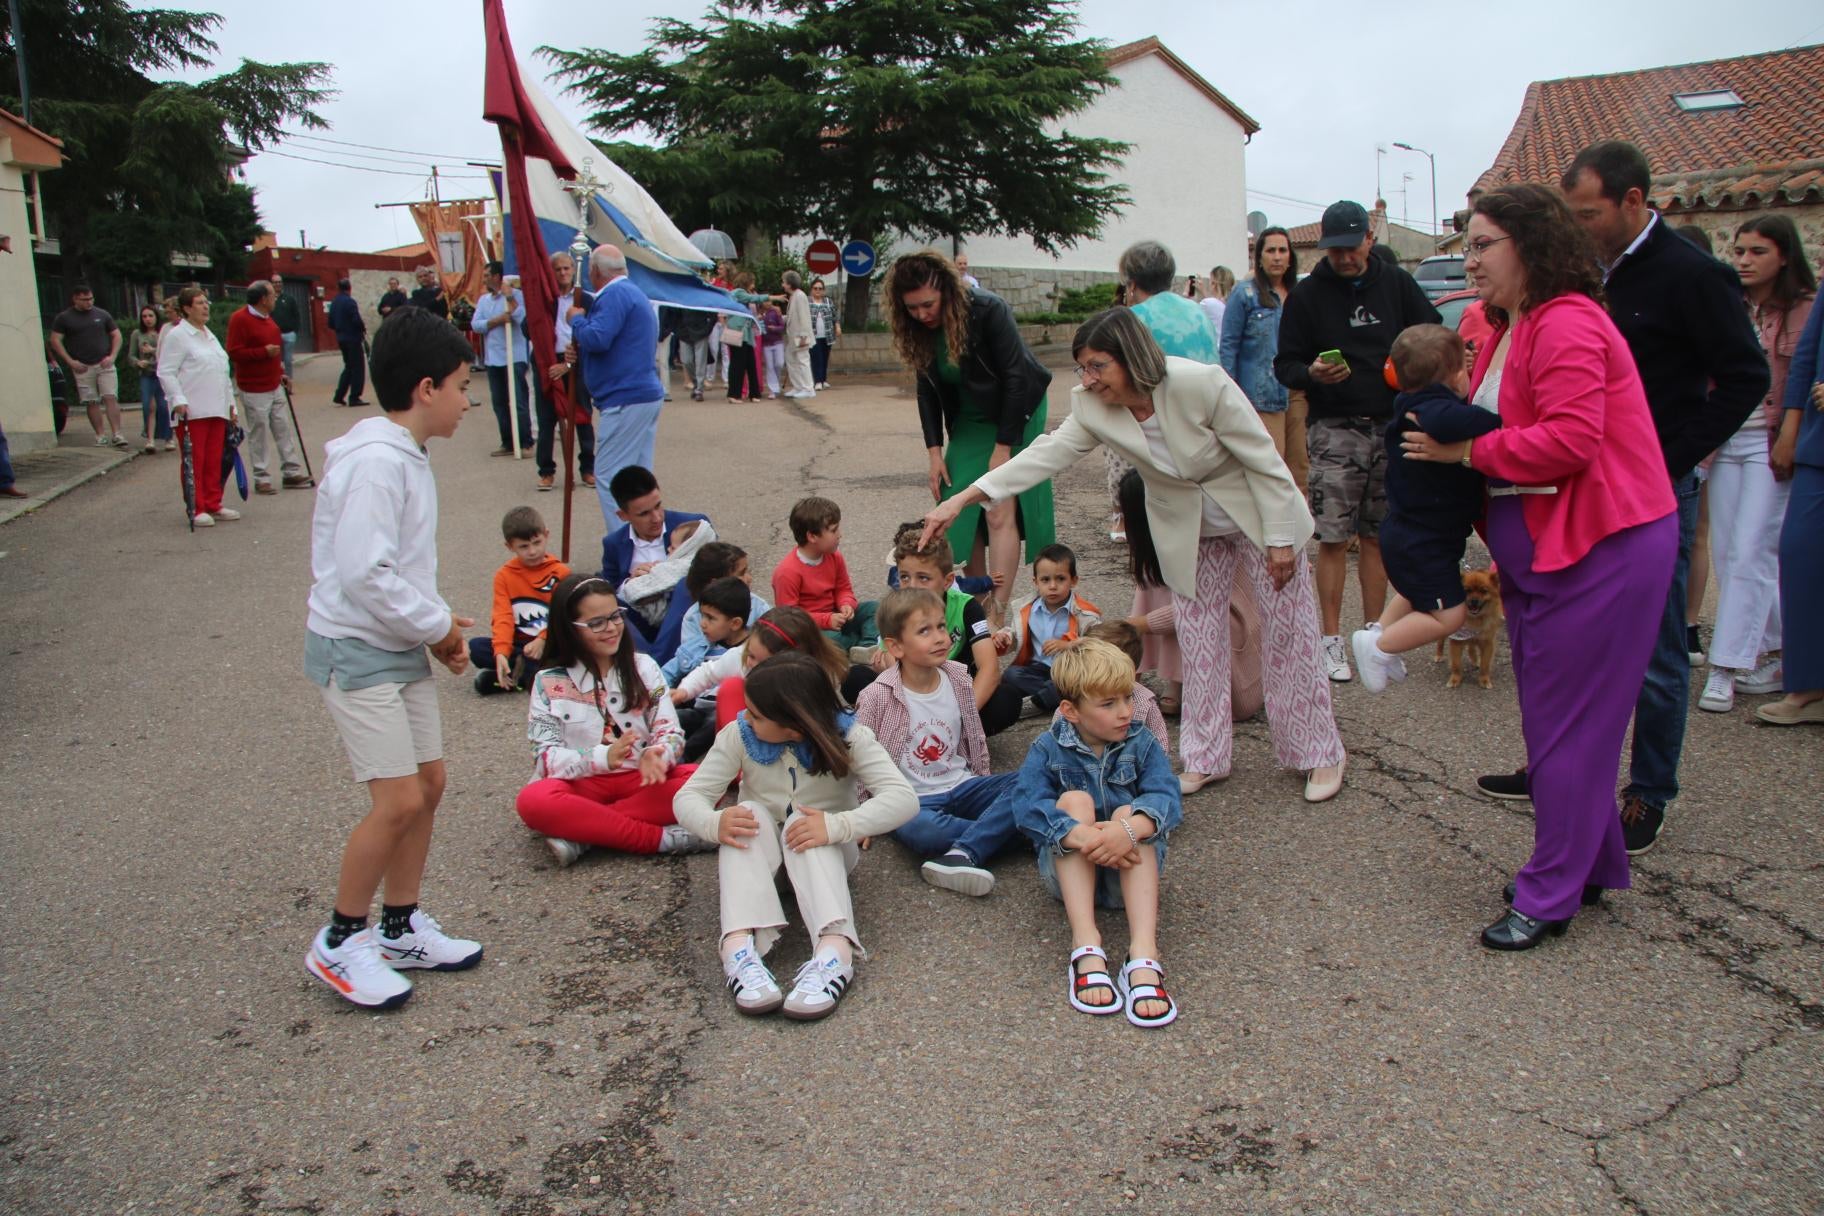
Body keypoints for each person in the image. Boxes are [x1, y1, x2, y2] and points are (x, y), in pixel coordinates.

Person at [1403, 183, 1678, 950]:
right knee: (1561, 724)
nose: (1471, 259)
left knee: (1568, 733)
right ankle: (1589, 864)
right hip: (1556, 549)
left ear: (1532, 246)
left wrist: (1465, 450)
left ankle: (1551, 889)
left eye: (1484, 244)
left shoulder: (1566, 324)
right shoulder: (1511, 324)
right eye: (1468, 245)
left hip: (1603, 548)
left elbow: (1569, 440)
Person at [922, 308, 1347, 803]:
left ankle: (1320, 752)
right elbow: (1045, 455)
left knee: (1288, 636)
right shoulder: (1092, 405)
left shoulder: (1200, 383)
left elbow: (1265, 460)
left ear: (1131, 357)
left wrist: (1278, 541)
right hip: (1189, 531)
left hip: (1259, 516)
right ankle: (1206, 757)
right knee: (1200, 642)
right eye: (1082, 367)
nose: (1088, 378)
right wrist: (964, 497)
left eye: (1097, 365)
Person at [1540, 141, 1769, 852]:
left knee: (1657, 648)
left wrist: (1669, 457)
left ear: (1634, 201)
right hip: (1581, 484)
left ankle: (1647, 791)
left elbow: (1745, 377)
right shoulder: (1583, 276)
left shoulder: (1692, 276)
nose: (1578, 229)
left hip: (1653, 490)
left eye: (1589, 214)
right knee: (1577, 636)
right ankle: (1562, 769)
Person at [301, 305, 482, 1009]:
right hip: (357, 648)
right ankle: (342, 940)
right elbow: (364, 574)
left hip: (392, 641)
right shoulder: (377, 463)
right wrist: (438, 626)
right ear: (427, 387)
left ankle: (401, 925)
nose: (470, 401)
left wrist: (432, 624)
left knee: (428, 784)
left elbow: (393, 570)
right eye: (464, 386)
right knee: (398, 797)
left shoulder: (402, 454)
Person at [672, 652, 917, 1021]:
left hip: (825, 857)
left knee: (804, 822)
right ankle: (738, 946)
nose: (746, 719)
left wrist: (837, 826)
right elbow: (688, 797)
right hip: (762, 863)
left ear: (794, 724)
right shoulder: (739, 735)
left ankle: (835, 950)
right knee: (747, 813)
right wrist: (713, 823)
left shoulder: (851, 735)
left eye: (756, 714)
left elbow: (903, 799)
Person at [1275, 200, 1441, 681]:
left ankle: (1374, 637)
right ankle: (1329, 640)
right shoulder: (1307, 296)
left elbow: (1429, 334)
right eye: (1335, 250)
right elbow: (1284, 363)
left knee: (1378, 535)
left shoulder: (1397, 283)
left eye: (1351, 247)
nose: (1344, 258)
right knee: (1332, 537)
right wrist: (1311, 372)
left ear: (1369, 238)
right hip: (1334, 428)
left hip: (1392, 425)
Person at [1009, 639, 1182, 1028]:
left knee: (1131, 811)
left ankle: (1143, 953)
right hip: (1070, 878)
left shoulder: (1142, 742)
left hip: (1131, 876)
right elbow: (1026, 807)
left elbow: (1167, 796)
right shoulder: (1047, 748)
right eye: (1108, 704)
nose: (1125, 712)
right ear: (1070, 710)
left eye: (1127, 698)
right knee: (1072, 802)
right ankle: (1086, 945)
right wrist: (1083, 837)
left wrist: (1130, 828)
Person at [887, 250, 1056, 623]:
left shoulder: (987, 309)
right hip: (970, 415)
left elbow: (1014, 376)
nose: (921, 314)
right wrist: (934, 453)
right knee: (959, 506)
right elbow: (926, 390)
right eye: (911, 308)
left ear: (947, 290)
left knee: (997, 506)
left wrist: (1003, 448)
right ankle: (975, 600)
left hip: (1016, 408)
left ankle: (997, 608)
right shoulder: (916, 326)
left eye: (928, 304)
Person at [1697, 216, 1815, 713]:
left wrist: (1790, 436)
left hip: (1770, 442)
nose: (1743, 259)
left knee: (1751, 552)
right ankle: (1773, 653)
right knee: (1729, 553)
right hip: (1726, 443)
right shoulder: (1731, 307)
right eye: (1739, 250)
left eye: (1756, 252)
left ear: (1784, 256)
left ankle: (1726, 667)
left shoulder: (1806, 310)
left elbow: (1803, 376)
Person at [513, 573, 707, 867]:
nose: (612, 628)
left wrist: (659, 754)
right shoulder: (548, 681)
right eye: (596, 623)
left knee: (704, 782)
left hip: (640, 780)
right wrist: (603, 757)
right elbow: (545, 758)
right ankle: (662, 839)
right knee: (533, 800)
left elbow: (669, 729)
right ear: (569, 629)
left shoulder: (643, 667)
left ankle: (583, 834)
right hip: (578, 785)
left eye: (615, 616)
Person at [1350, 324, 1501, 691]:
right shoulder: (1432, 410)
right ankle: (1380, 646)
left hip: (1409, 534)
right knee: (1450, 615)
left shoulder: (1409, 403)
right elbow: (1455, 420)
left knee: (1416, 592)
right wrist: (1498, 420)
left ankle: (1379, 634)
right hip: (1423, 538)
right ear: (1452, 377)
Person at [854, 587, 1020, 898]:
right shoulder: (876, 696)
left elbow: (974, 738)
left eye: (942, 626)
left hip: (962, 785)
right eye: (925, 631)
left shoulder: (958, 679)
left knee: (1031, 781)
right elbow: (859, 758)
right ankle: (1014, 830)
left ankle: (965, 852)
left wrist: (982, 781)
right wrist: (864, 815)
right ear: (896, 647)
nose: (940, 637)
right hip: (912, 801)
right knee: (924, 832)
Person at [1760, 287, 1824, 725]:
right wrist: (1790, 429)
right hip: (1819, 446)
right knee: (1800, 554)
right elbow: (1805, 360)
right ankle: (1809, 686)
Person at [889, 521, 1021, 735]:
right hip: (915, 696)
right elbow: (890, 668)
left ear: (948, 581)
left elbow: (990, 669)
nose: (912, 586)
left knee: (1007, 700)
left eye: (923, 578)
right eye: (904, 577)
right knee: (858, 679)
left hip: (957, 695)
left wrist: (956, 719)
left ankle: (954, 736)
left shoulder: (967, 607)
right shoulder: (895, 608)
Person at [573, 245, 665, 528]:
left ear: (595, 272)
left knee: (612, 477)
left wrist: (575, 320)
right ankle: (646, 540)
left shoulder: (614, 294)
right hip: (638, 393)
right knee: (636, 476)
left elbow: (598, 337)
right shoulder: (632, 293)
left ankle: (627, 545)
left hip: (625, 396)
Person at [599, 465, 708, 666]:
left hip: (689, 617)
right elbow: (610, 592)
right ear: (623, 515)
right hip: (644, 621)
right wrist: (631, 583)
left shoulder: (693, 526)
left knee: (686, 584)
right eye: (644, 513)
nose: (657, 518)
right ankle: (652, 664)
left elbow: (720, 566)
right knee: (606, 601)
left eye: (658, 506)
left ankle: (656, 666)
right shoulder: (614, 544)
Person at [1221, 228, 1304, 490]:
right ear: (1259, 257)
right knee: (1271, 469)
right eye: (1271, 250)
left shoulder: (1301, 293)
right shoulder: (1245, 294)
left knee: (1300, 467)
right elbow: (1228, 345)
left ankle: (1299, 530)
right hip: (1260, 395)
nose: (1277, 257)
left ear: (1290, 257)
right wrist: (1231, 395)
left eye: (1282, 250)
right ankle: (1270, 529)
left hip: (1297, 390)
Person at [157, 286, 240, 527]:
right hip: (192, 410)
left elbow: (222, 372)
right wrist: (178, 399)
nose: (205, 307)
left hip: (216, 407)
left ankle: (214, 502)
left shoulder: (208, 334)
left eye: (206, 302)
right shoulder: (178, 336)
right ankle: (197, 506)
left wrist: (230, 405)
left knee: (214, 459)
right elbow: (166, 371)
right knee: (196, 460)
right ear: (186, 308)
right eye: (199, 303)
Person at [472, 505, 571, 695]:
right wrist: (501, 652)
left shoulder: (561, 573)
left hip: (553, 642)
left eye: (537, 542)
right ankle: (524, 675)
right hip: (522, 648)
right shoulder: (504, 576)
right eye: (524, 546)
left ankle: (509, 680)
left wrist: (543, 639)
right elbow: (503, 616)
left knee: (566, 654)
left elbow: (565, 616)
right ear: (509, 546)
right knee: (476, 648)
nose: (532, 551)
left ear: (546, 535)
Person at [226, 281, 312, 495]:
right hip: (254, 388)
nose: (276, 298)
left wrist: (280, 371)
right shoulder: (240, 319)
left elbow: (275, 353)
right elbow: (234, 352)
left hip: (274, 384)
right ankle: (261, 476)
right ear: (263, 299)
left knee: (283, 428)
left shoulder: (269, 321)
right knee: (260, 433)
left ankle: (291, 472)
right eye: (272, 295)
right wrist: (263, 352)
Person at [997, 543, 1103, 713]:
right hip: (1037, 669)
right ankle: (1053, 698)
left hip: (1069, 671)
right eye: (1045, 580)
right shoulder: (1028, 608)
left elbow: (1099, 644)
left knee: (1068, 684)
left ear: (1073, 580)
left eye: (1060, 579)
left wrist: (1068, 645)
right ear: (1036, 582)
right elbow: (1016, 635)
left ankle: (1036, 703)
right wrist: (1005, 637)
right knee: (1011, 675)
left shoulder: (1084, 614)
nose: (1053, 586)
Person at [771, 495, 877, 656]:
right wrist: (826, 620)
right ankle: (856, 641)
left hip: (837, 618)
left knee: (875, 609)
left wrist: (846, 604)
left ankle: (866, 646)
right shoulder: (787, 572)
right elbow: (790, 619)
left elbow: (843, 589)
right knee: (831, 640)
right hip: (812, 628)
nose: (839, 534)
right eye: (834, 530)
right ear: (812, 536)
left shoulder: (834, 557)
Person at [669, 576, 756, 761]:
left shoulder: (750, 652)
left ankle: (682, 758)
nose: (702, 623)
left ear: (735, 623)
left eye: (711, 618)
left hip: (729, 713)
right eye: (702, 615)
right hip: (699, 706)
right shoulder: (698, 645)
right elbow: (697, 672)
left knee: (712, 725)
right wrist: (680, 692)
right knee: (678, 717)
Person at [662, 541, 769, 685]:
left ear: (736, 623)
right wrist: (658, 698)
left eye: (710, 618)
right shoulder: (693, 620)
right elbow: (675, 671)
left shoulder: (759, 608)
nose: (749, 578)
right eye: (741, 574)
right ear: (718, 582)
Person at [542, 250, 597, 491]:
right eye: (558, 269)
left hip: (576, 361)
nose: (563, 273)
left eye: (567, 268)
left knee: (582, 417)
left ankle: (587, 469)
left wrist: (568, 364)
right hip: (548, 362)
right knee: (547, 420)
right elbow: (528, 329)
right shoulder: (546, 300)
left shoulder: (585, 300)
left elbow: (592, 334)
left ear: (573, 271)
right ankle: (546, 471)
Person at [48, 284, 127, 447]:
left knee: (110, 397)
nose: (89, 302)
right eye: (85, 300)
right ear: (75, 299)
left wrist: (112, 356)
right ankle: (100, 435)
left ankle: (117, 434)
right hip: (82, 366)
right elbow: (55, 340)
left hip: (104, 363)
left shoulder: (102, 314)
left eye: (91, 298)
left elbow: (116, 335)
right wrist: (70, 361)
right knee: (91, 401)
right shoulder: (64, 318)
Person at [470, 263, 533, 457]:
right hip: (493, 358)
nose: (485, 279)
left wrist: (509, 296)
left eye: (488, 275)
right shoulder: (484, 300)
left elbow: (521, 317)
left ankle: (525, 442)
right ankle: (507, 441)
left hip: (515, 356)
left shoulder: (517, 295)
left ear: (498, 277)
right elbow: (476, 325)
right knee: (499, 402)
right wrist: (495, 321)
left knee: (518, 401)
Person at [129, 305, 173, 455]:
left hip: (161, 373)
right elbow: (131, 355)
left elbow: (169, 351)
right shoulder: (137, 334)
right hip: (146, 374)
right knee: (148, 406)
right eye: (144, 316)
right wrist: (137, 362)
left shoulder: (164, 332)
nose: (148, 319)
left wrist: (153, 351)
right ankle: (150, 439)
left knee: (163, 406)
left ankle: (168, 437)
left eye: (151, 316)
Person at [718, 274, 762, 403]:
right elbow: (724, 313)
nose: (753, 284)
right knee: (738, 364)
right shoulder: (738, 293)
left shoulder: (748, 294)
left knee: (750, 364)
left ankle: (754, 394)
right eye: (752, 282)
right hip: (738, 333)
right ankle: (733, 394)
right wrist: (773, 297)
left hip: (748, 334)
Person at [327, 279, 369, 407]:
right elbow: (356, 320)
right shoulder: (350, 302)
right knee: (357, 368)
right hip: (353, 338)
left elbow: (330, 323)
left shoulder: (334, 303)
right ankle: (355, 396)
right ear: (349, 288)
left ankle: (339, 395)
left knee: (348, 367)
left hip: (341, 338)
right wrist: (362, 328)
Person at [780, 270, 817, 399]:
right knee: (791, 359)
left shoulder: (799, 296)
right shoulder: (794, 296)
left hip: (801, 335)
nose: (783, 285)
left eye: (784, 282)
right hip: (794, 336)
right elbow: (792, 317)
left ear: (790, 284)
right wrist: (780, 317)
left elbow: (804, 317)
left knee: (802, 360)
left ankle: (808, 388)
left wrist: (803, 337)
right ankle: (798, 386)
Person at [808, 277, 840, 389]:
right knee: (817, 358)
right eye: (815, 288)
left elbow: (835, 316)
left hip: (827, 335)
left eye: (820, 288)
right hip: (813, 335)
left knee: (825, 357)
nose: (818, 290)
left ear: (823, 290)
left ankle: (823, 379)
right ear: (812, 289)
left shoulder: (828, 301)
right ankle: (817, 381)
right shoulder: (808, 301)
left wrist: (837, 326)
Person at [269, 278, 301, 381]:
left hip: (289, 334)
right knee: (275, 360)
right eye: (275, 282)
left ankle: (288, 381)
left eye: (279, 282)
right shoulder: (268, 299)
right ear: (271, 284)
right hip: (274, 335)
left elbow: (296, 315)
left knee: (287, 360)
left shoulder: (289, 298)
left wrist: (295, 331)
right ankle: (276, 380)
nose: (277, 284)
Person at [758, 299, 787, 398]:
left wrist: (775, 328)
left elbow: (782, 326)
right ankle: (773, 389)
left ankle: (776, 383)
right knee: (770, 367)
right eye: (765, 301)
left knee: (779, 363)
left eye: (769, 301)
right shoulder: (759, 313)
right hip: (766, 344)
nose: (767, 303)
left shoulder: (775, 312)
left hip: (777, 342)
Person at [1199, 265, 1236, 335]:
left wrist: (1186, 295)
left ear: (1214, 284)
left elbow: (1191, 319)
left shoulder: (1208, 303)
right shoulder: (1233, 305)